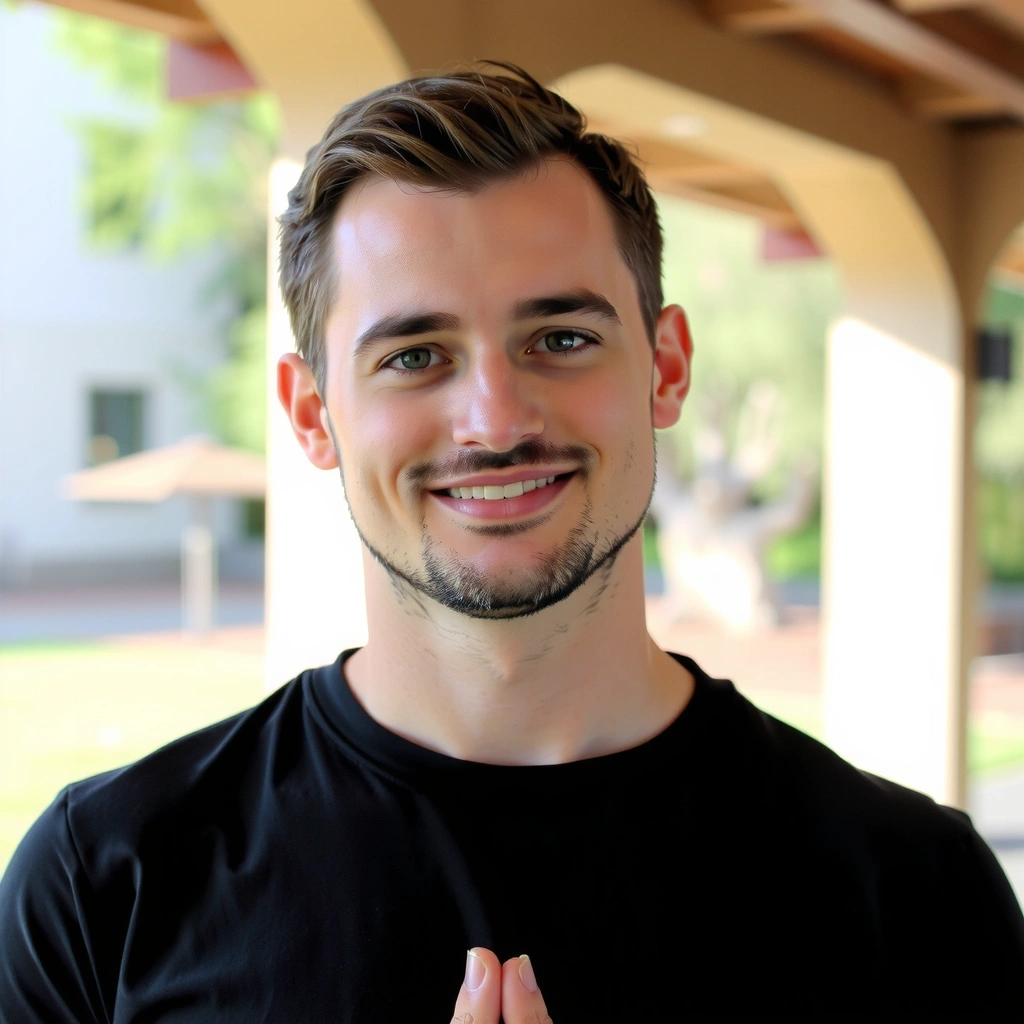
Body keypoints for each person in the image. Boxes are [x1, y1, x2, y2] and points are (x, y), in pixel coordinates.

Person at [1, 63, 1022, 1024]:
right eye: (414, 355)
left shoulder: (917, 894)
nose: (493, 418)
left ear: (664, 368)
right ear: (311, 414)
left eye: (561, 338)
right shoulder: (104, 886)